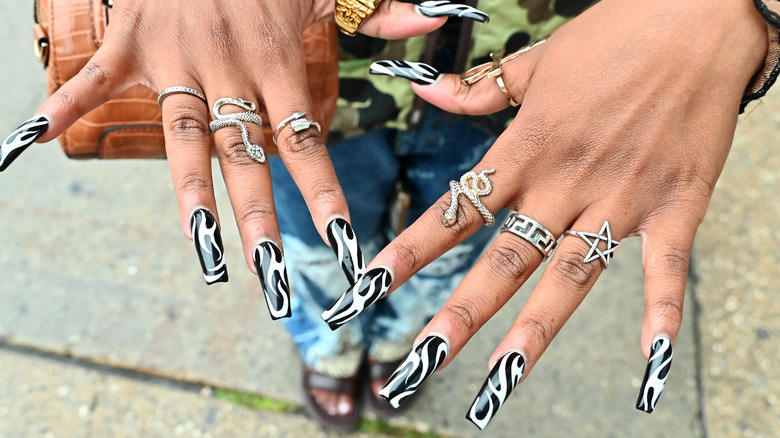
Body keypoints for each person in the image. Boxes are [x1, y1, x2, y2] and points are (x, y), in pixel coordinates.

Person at [1, 0, 776, 432]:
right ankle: (330, 349)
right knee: (313, 241)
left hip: (569, 67)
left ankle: (399, 336)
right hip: (295, 63)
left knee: (463, 252)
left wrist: (729, 15)